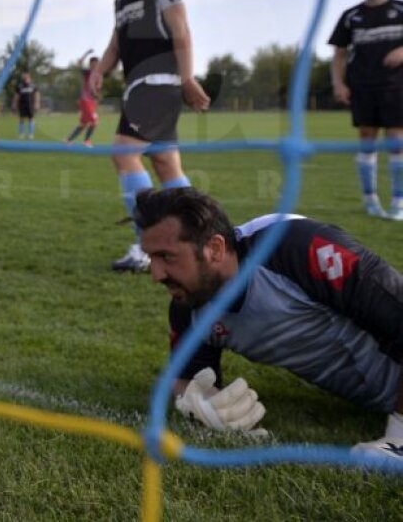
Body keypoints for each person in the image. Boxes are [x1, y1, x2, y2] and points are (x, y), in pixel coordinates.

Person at [134, 186, 403, 459]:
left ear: (214, 248)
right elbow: (185, 379)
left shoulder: (293, 246)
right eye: (151, 257)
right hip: (379, 401)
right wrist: (204, 402)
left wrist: (399, 434)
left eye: (166, 256)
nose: (155, 274)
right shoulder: (188, 307)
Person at [88, 0, 210, 273]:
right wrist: (100, 70)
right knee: (166, 165)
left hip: (158, 82)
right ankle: (203, 235)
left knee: (124, 153)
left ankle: (147, 247)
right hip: (140, 85)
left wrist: (186, 77)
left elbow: (180, 28)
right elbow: (114, 46)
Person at [328, 0, 403, 220]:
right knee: (367, 141)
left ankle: (398, 202)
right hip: (363, 87)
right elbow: (338, 54)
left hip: (396, 87)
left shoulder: (400, 9)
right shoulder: (351, 16)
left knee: (397, 143)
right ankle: (370, 199)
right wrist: (339, 83)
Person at [65, 49, 100, 147]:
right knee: (95, 122)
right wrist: (87, 53)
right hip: (85, 100)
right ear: (90, 64)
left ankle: (68, 140)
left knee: (84, 123)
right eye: (92, 63)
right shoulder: (87, 72)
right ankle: (87, 141)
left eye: (96, 63)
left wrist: (96, 97)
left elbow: (96, 90)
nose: (94, 65)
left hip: (91, 101)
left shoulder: (98, 74)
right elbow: (79, 63)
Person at [12, 72, 39, 140]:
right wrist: (14, 104)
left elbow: (37, 94)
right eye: (24, 77)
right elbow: (16, 96)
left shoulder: (33, 85)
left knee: (31, 119)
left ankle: (31, 134)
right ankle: (21, 134)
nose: (26, 79)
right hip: (22, 105)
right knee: (21, 120)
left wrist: (37, 103)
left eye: (27, 77)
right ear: (23, 78)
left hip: (30, 105)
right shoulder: (20, 86)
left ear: (29, 78)